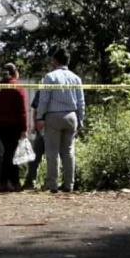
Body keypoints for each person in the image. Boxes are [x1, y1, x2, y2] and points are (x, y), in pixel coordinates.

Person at [35, 48, 85, 193]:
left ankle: (53, 184)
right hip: (71, 116)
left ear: (55, 61)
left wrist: (40, 117)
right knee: (69, 152)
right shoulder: (76, 78)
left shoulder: (50, 77)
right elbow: (81, 102)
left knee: (52, 152)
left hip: (54, 116)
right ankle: (69, 184)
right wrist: (80, 119)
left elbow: (44, 100)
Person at [0, 63, 28, 192]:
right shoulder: (18, 87)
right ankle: (7, 182)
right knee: (10, 153)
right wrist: (25, 128)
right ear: (15, 73)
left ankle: (12, 182)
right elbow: (23, 111)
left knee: (9, 152)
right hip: (14, 125)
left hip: (0, 124)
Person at [22, 90, 46, 190]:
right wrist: (35, 125)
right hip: (43, 128)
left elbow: (35, 110)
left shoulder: (41, 91)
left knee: (37, 156)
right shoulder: (41, 91)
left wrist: (35, 125)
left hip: (45, 127)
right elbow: (35, 110)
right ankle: (30, 181)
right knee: (36, 156)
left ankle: (31, 181)